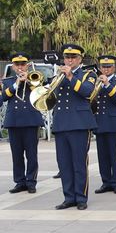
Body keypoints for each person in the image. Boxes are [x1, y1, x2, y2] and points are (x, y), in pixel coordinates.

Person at [52, 44, 98, 210]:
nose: (69, 60)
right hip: (61, 123)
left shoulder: (88, 74)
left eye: (73, 57)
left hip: (79, 123)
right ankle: (68, 197)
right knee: (64, 163)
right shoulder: (59, 75)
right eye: (67, 57)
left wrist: (71, 76)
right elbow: (51, 97)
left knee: (79, 163)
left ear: (80, 59)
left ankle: (81, 198)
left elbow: (87, 92)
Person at [1, 52, 45, 194]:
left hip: (31, 120)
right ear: (13, 67)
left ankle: (31, 181)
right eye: (17, 64)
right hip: (14, 121)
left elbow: (41, 93)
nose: (20, 67)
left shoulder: (35, 79)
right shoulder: (8, 81)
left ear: (27, 65)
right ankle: (20, 182)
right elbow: (4, 97)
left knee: (32, 154)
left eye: (22, 64)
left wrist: (28, 81)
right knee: (17, 154)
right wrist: (17, 83)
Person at [93, 55, 116, 195]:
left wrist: (107, 84)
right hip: (100, 122)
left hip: (114, 124)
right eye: (103, 67)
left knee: (114, 155)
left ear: (113, 67)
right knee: (102, 156)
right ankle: (105, 181)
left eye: (108, 67)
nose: (105, 69)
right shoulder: (96, 82)